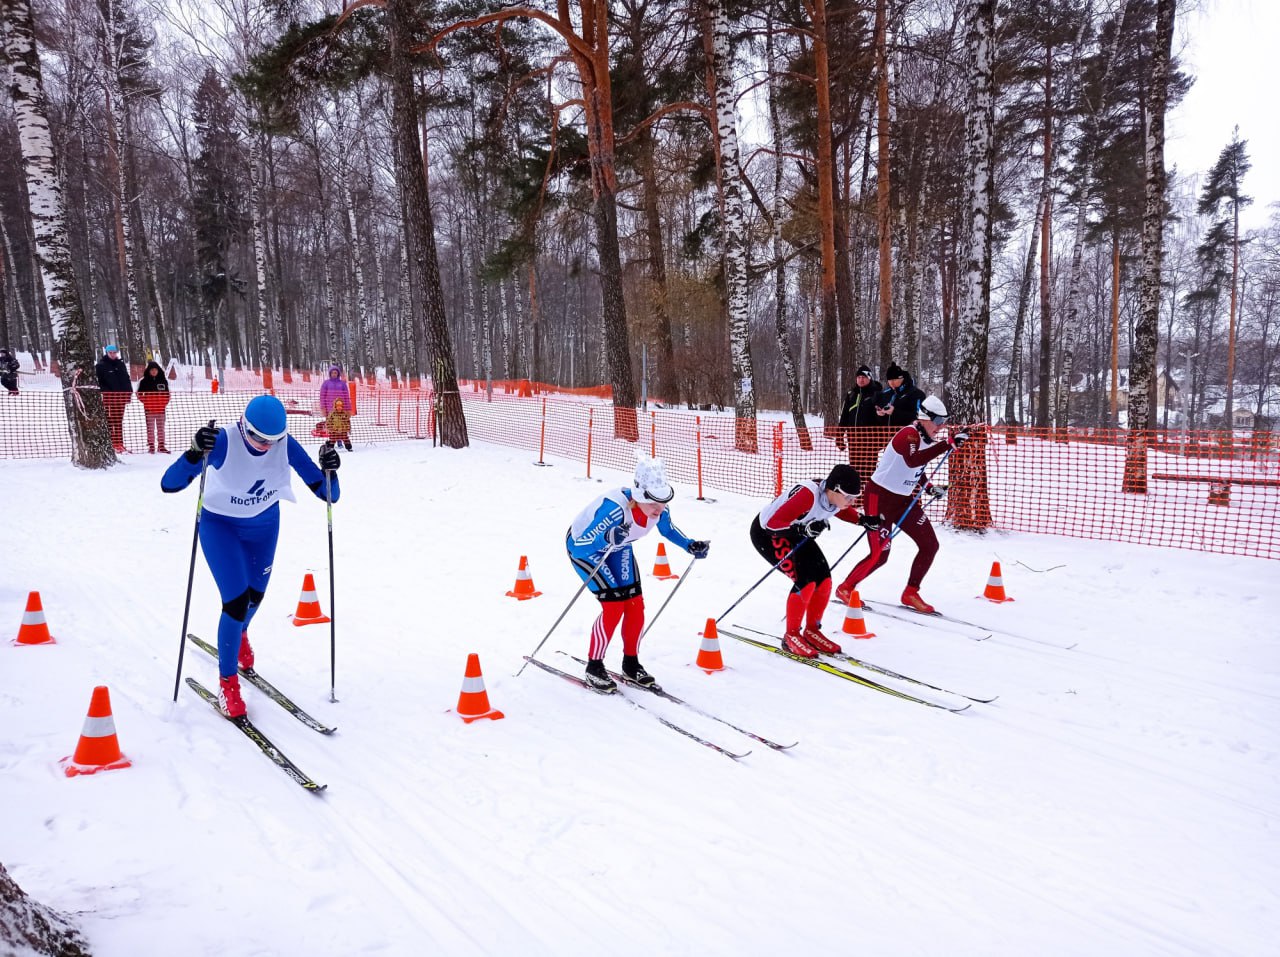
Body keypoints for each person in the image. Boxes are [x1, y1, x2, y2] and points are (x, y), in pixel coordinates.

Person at [161, 394, 342, 718]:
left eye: (272, 440)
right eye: (258, 437)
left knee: (255, 598)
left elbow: (329, 494)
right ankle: (228, 683)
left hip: (264, 528)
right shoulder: (223, 442)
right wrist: (193, 451)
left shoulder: (285, 445)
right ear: (244, 425)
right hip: (220, 526)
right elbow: (169, 484)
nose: (264, 446)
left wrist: (331, 470)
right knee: (235, 601)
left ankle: (240, 633)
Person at [565, 456, 710, 692]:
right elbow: (580, 545)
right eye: (653, 502)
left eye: (663, 501)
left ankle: (631, 664)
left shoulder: (659, 510)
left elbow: (667, 529)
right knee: (613, 606)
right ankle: (594, 666)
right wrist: (607, 537)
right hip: (587, 551)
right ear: (639, 497)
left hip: (619, 547)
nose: (659, 509)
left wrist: (689, 544)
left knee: (634, 603)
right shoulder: (615, 510)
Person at [836, 395, 968, 614]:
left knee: (930, 545)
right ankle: (845, 587)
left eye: (944, 422)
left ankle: (911, 592)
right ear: (925, 417)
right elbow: (912, 460)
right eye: (937, 422)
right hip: (880, 499)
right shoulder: (908, 435)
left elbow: (918, 468)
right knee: (880, 555)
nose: (941, 427)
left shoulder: (927, 439)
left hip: (904, 500)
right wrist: (948, 444)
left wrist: (928, 488)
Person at [750, 464, 863, 658]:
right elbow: (772, 524)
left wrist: (862, 520)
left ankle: (812, 630)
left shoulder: (835, 499)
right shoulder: (807, 495)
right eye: (848, 497)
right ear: (834, 489)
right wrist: (802, 530)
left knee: (824, 578)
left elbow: (841, 510)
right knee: (807, 580)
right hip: (769, 535)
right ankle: (791, 635)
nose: (851, 502)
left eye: (855, 497)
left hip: (796, 532)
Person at [836, 364, 883, 479]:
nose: (861, 380)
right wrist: (839, 437)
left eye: (864, 377)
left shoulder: (876, 394)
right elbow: (844, 417)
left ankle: (868, 492)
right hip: (853, 439)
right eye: (859, 377)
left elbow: (883, 419)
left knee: (868, 469)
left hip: (871, 440)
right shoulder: (851, 394)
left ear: (870, 378)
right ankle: (856, 494)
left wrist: (883, 440)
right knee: (855, 468)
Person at [95, 344, 133, 452]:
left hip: (121, 398)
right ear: (107, 353)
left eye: (114, 352)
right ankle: (111, 443)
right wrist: (107, 392)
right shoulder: (101, 366)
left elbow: (126, 379)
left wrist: (128, 393)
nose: (112, 354)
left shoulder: (121, 364)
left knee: (118, 421)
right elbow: (100, 382)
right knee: (110, 420)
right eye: (110, 353)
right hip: (109, 398)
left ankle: (119, 443)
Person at [876, 362, 927, 429]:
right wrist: (880, 414)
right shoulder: (885, 393)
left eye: (894, 379)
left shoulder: (916, 394)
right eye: (889, 380)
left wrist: (895, 412)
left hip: (908, 434)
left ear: (901, 378)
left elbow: (918, 417)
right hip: (887, 436)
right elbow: (880, 420)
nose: (891, 382)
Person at [135, 360, 171, 453]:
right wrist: (145, 402)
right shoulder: (143, 381)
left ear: (158, 370)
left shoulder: (164, 380)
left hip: (161, 410)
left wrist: (164, 403)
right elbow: (138, 394)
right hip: (149, 410)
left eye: (155, 370)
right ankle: (151, 446)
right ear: (149, 371)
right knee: (150, 429)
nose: (154, 371)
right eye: (152, 370)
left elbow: (168, 394)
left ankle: (161, 446)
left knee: (161, 429)